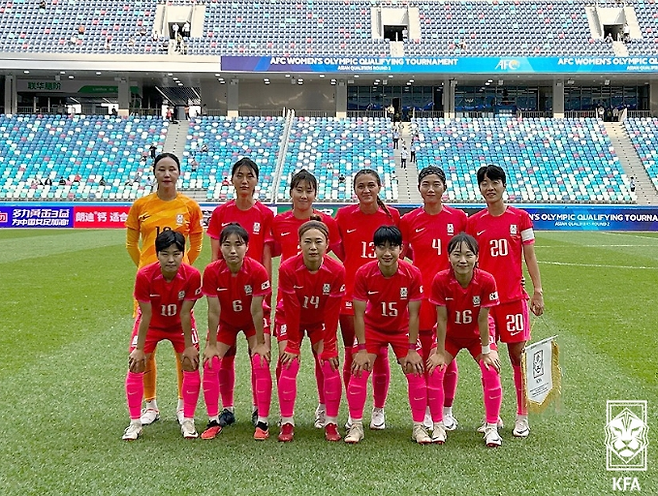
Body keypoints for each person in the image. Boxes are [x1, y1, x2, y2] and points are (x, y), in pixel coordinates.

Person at [125, 152, 204, 428]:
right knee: (145, 346)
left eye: (172, 169)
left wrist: (184, 267)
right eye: (162, 169)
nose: (167, 174)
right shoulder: (141, 205)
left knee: (183, 345)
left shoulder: (190, 206)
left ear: (179, 173)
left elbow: (196, 241)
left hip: (179, 283)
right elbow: (130, 244)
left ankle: (184, 405)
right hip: (148, 285)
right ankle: (151, 404)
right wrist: (147, 267)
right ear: (155, 173)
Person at [467, 164, 544, 438]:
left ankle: (522, 416)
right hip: (485, 304)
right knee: (489, 358)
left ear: (503, 185)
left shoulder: (520, 218)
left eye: (494, 182)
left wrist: (537, 290)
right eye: (484, 183)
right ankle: (493, 415)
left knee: (517, 357)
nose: (489, 187)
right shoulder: (473, 223)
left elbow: (530, 256)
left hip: (513, 300)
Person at [206, 158, 274, 428]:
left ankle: (259, 408)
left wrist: (266, 294)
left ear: (257, 181)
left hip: (256, 293)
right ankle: (227, 407)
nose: (244, 180)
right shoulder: (221, 213)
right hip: (226, 292)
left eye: (250, 175)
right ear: (231, 179)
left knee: (257, 352)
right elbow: (214, 257)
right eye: (239, 175)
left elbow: (267, 257)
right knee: (226, 354)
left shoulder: (266, 215)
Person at [345, 226, 428, 444]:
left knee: (415, 369)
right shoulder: (364, 273)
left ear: (401, 248)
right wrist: (361, 349)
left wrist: (411, 349)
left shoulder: (412, 273)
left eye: (392, 247)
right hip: (372, 328)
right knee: (359, 368)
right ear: (374, 249)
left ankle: (419, 427)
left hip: (401, 329)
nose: (387, 252)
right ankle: (355, 425)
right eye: (382, 247)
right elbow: (359, 314)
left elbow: (414, 315)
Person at [399, 166, 467, 432]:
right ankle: (427, 410)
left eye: (435, 184)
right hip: (421, 297)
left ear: (444, 188)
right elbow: (401, 258)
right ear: (419, 187)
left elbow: (470, 255)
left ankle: (446, 410)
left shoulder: (459, 218)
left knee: (447, 355)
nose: (430, 189)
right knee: (425, 354)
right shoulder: (409, 221)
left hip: (452, 297)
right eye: (425, 184)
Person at [271, 169, 341, 426]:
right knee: (286, 357)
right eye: (299, 189)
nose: (303, 195)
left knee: (323, 358)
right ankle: (285, 415)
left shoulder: (327, 223)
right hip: (288, 301)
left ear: (315, 193)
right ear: (290, 192)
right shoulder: (278, 222)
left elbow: (337, 260)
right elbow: (270, 255)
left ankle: (324, 408)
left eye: (309, 190)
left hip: (320, 302)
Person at [334, 169, 400, 432]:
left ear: (379, 187)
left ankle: (378, 409)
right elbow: (341, 251)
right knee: (353, 352)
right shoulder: (344, 215)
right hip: (351, 292)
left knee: (380, 353)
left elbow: (398, 249)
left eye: (371, 185)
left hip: (384, 293)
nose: (366, 190)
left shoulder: (391, 216)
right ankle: (354, 410)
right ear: (354, 189)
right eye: (360, 186)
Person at [122, 230, 203, 441]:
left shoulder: (192, 275)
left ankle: (187, 417)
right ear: (157, 254)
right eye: (165, 253)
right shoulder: (145, 275)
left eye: (176, 254)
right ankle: (135, 422)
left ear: (182, 254)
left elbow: (186, 313)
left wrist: (189, 346)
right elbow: (145, 314)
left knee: (191, 361)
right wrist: (139, 349)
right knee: (136, 363)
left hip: (179, 325)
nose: (171, 259)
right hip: (152, 325)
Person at [427, 232, 503, 447]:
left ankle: (491, 427)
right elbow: (441, 319)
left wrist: (488, 350)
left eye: (468, 255)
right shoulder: (441, 279)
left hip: (477, 336)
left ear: (477, 257)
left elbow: (483, 318)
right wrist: (440, 351)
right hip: (450, 335)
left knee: (491, 369)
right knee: (435, 369)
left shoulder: (487, 280)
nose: (462, 260)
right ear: (448, 257)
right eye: (457, 254)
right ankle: (439, 425)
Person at [200, 224, 273, 441]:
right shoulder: (212, 271)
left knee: (260, 360)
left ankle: (262, 419)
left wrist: (260, 342)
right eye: (227, 245)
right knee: (211, 362)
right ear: (220, 247)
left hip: (253, 323)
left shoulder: (258, 270)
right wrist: (211, 343)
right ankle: (218, 418)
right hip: (227, 323)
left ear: (247, 247)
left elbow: (257, 310)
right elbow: (213, 311)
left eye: (238, 245)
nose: (232, 250)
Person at [276, 218, 345, 442]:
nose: (313, 247)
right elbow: (292, 308)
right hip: (289, 316)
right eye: (307, 242)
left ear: (327, 244)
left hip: (320, 320)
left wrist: (330, 346)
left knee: (329, 362)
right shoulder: (287, 268)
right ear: (299, 244)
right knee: (288, 361)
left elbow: (333, 311)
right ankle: (286, 421)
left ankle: (330, 421)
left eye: (318, 242)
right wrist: (293, 344)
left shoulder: (336, 270)